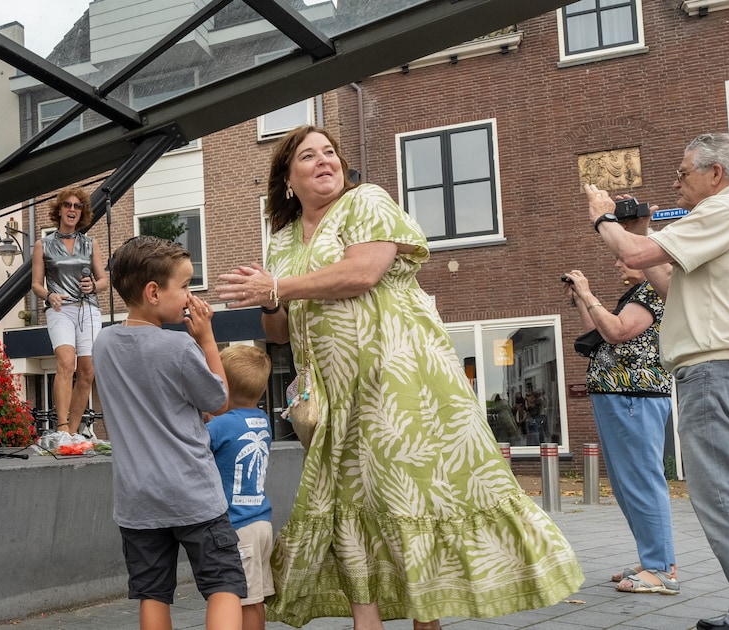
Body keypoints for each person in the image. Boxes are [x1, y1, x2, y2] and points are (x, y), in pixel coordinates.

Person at [216, 125, 584, 629]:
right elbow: (277, 331)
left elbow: (363, 272)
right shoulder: (280, 240)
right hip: (332, 393)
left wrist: (280, 283)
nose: (325, 161)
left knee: (403, 492)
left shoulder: (366, 200)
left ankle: (425, 617)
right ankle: (366, 622)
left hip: (397, 378)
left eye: (330, 152)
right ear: (287, 179)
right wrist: (270, 296)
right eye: (308, 156)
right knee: (349, 501)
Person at [585, 132, 729, 630]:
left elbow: (633, 251)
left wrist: (603, 216)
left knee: (726, 502)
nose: (675, 183)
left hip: (719, 372)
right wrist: (647, 268)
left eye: (683, 172)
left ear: (716, 173)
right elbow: (675, 284)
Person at [92, 235, 245, 630]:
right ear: (154, 291)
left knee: (152, 593)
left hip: (137, 499)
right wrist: (207, 339)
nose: (190, 296)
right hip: (193, 492)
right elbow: (218, 400)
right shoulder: (178, 347)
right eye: (184, 286)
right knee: (223, 583)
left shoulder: (104, 342)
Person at [564, 257, 678, 595]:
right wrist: (582, 297)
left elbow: (617, 331)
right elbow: (599, 331)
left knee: (641, 479)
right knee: (627, 483)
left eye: (624, 257)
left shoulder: (653, 293)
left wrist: (588, 292)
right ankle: (653, 557)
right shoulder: (636, 293)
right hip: (618, 395)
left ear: (649, 262)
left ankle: (662, 568)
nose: (616, 262)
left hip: (634, 396)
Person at [207, 345, 275, 630]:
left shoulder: (220, 426)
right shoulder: (264, 421)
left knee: (239, 598)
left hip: (237, 527)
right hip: (261, 522)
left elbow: (194, 447)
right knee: (255, 598)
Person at [31, 186, 108, 436]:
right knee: (66, 362)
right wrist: (49, 295)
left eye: (77, 206)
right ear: (59, 209)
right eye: (68, 205)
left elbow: (104, 281)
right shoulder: (43, 244)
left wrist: (94, 285)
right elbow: (35, 285)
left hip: (88, 309)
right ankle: (62, 429)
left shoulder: (90, 243)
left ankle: (73, 432)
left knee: (88, 371)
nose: (72, 210)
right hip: (60, 308)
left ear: (81, 212)